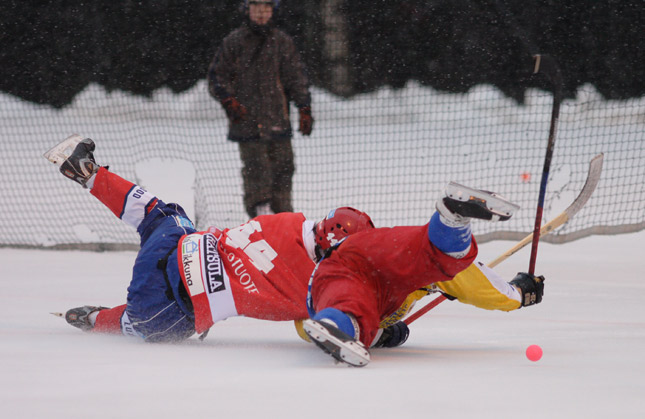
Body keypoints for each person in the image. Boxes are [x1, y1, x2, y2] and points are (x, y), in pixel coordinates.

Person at [44, 135, 370, 343]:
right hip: (165, 314)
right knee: (150, 323)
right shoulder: (316, 289)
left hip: (173, 248)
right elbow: (323, 322)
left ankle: (89, 173)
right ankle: (97, 319)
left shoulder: (289, 221)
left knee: (164, 214)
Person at [302, 182, 546, 367]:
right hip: (374, 252)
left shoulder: (324, 275)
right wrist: (381, 336)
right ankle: (451, 223)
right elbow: (470, 281)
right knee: (431, 252)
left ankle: (340, 324)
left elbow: (307, 325)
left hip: (355, 268)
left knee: (350, 307)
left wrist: (517, 294)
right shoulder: (373, 256)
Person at [207, 0, 313, 218]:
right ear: (247, 9)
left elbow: (296, 77)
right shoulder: (234, 41)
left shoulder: (282, 42)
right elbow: (217, 77)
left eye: (267, 6)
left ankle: (284, 217)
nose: (262, 12)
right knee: (257, 170)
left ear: (273, 10)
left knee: (284, 168)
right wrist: (229, 101)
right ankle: (261, 216)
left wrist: (304, 107)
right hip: (246, 122)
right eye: (257, 6)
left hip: (278, 120)